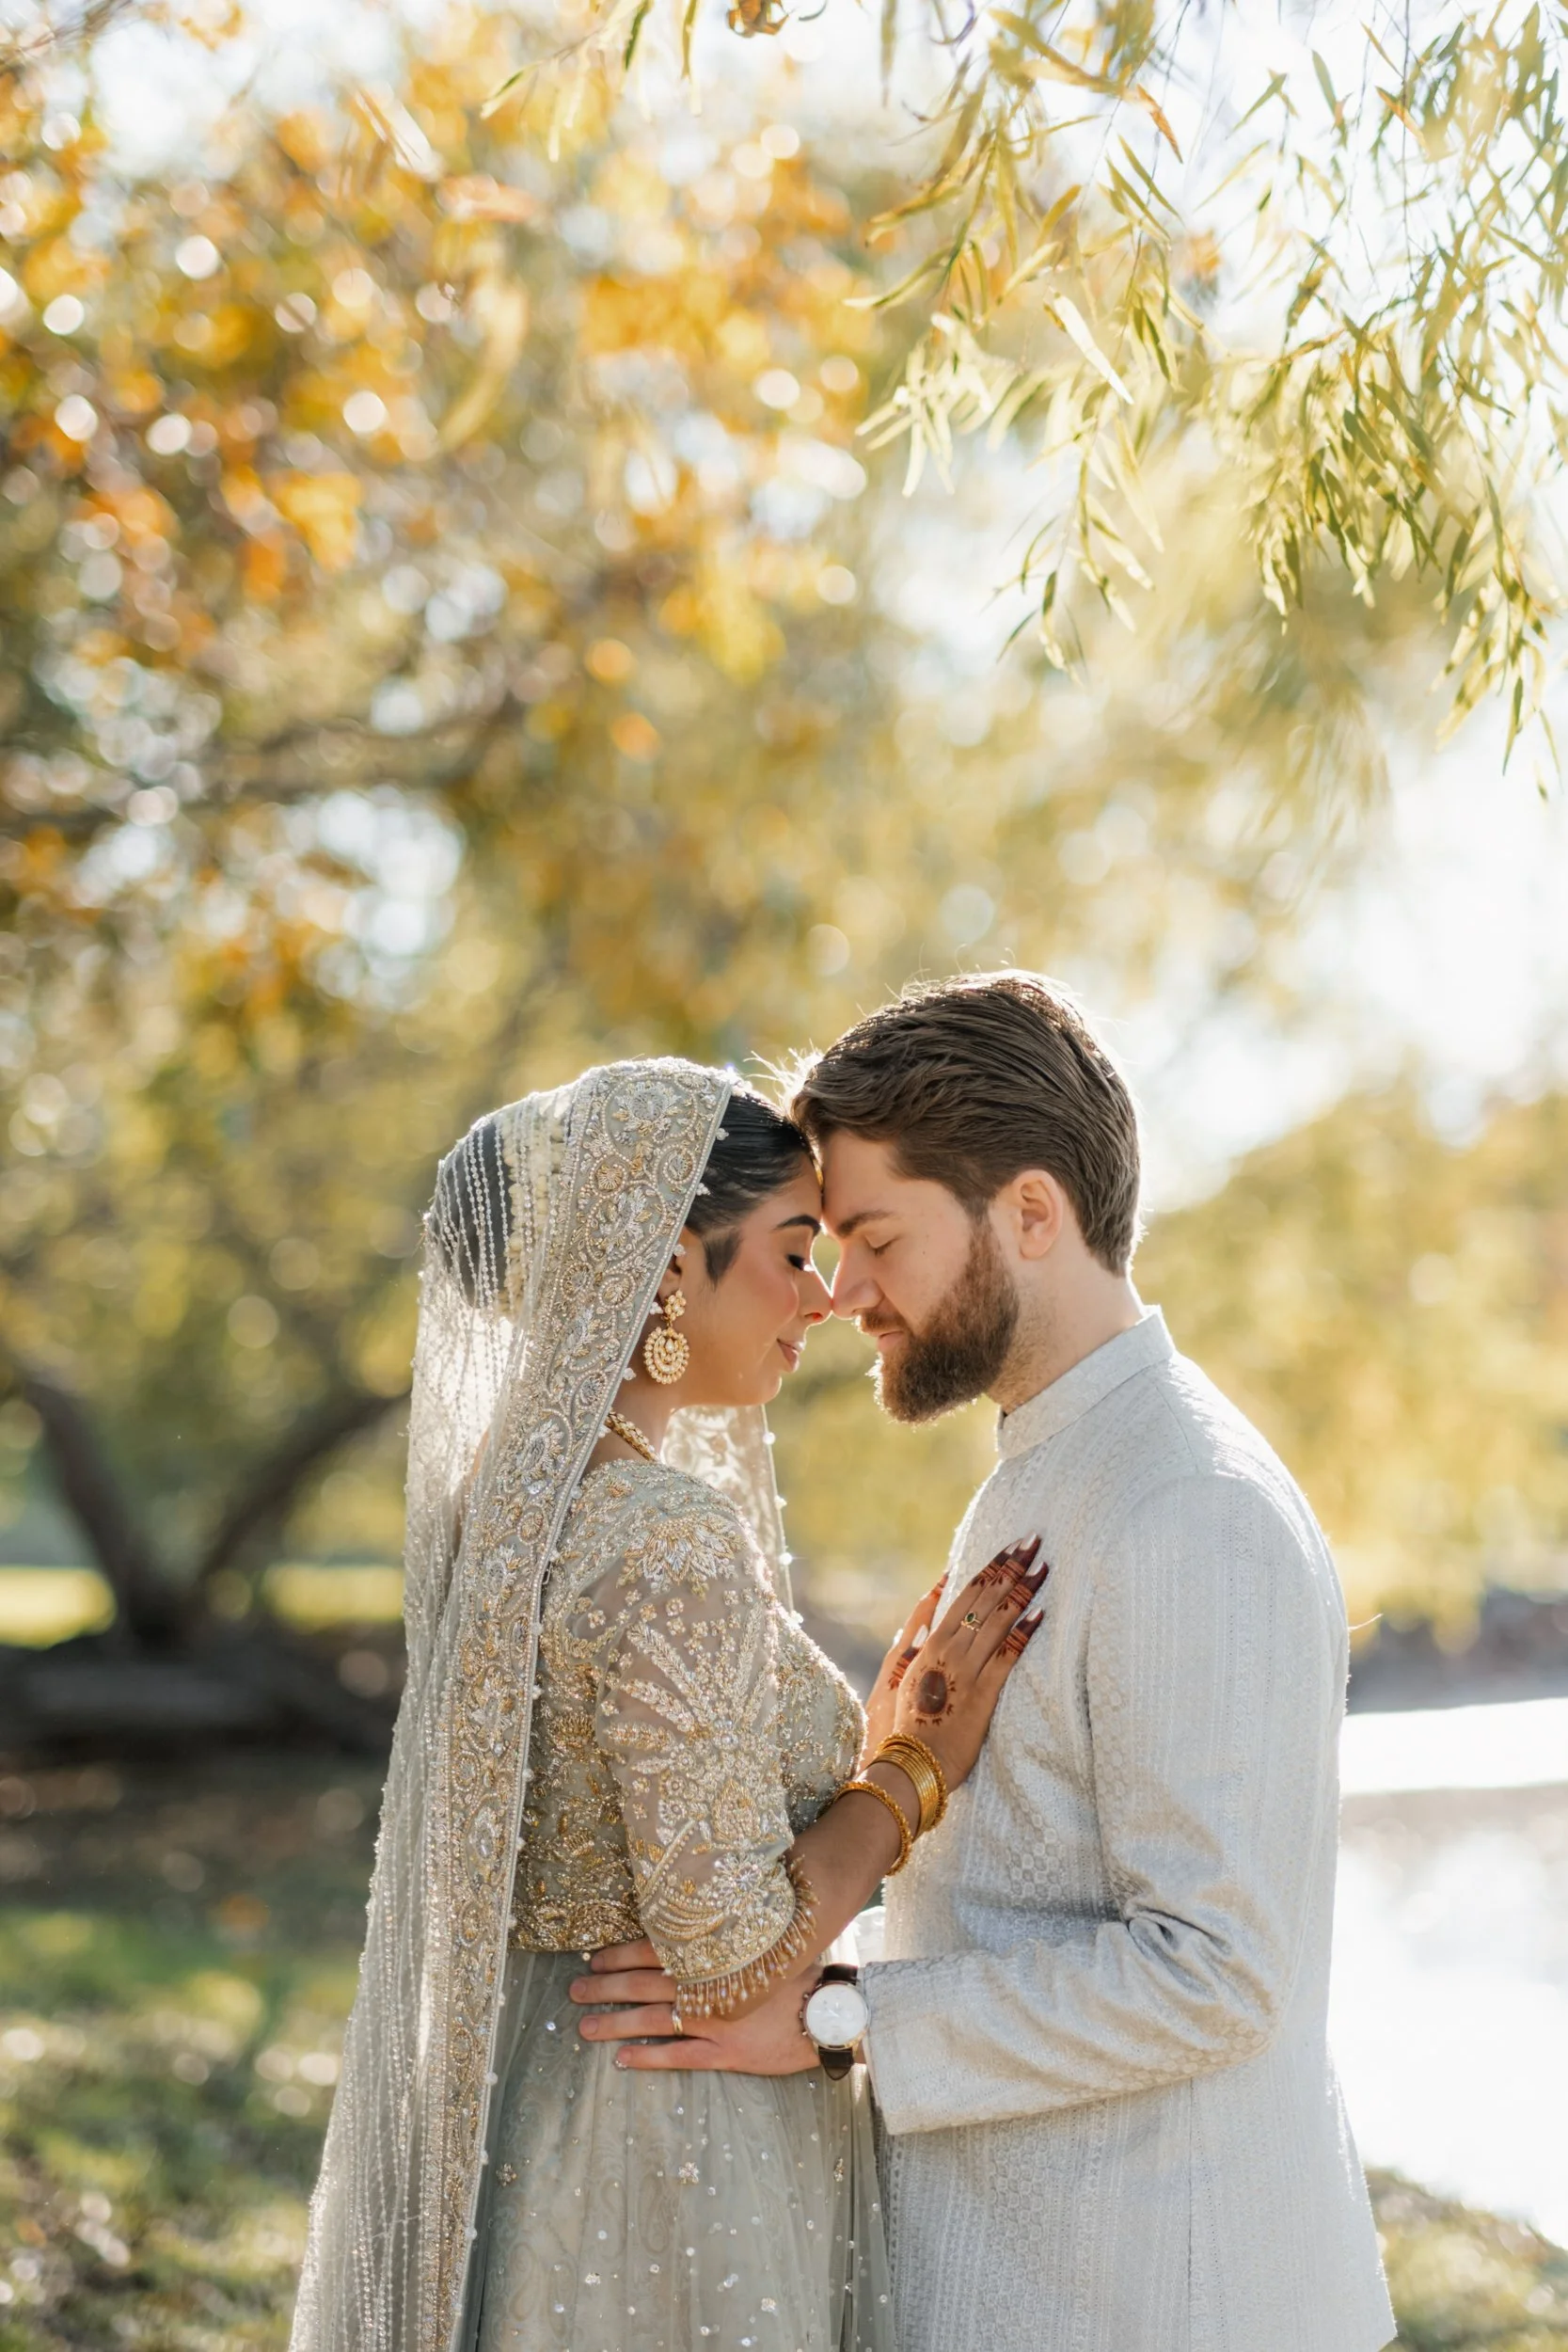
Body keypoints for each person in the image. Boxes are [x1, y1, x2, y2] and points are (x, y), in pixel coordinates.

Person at [585, 981, 1397, 2352]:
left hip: (1158, 2304)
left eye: (874, 1239)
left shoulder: (1190, 1504)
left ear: (1030, 1215)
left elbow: (1214, 1972)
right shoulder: (1050, 1466)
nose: (839, 1296)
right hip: (1034, 2281)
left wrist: (836, 2018)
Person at [289, 1055, 1044, 2352]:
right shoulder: (663, 1536)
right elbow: (730, 1955)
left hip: (541, 2115)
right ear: (660, 1271)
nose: (821, 1299)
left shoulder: (516, 1514)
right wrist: (909, 1772)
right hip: (673, 2156)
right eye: (792, 1252)